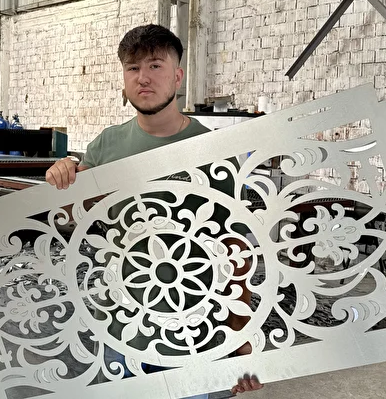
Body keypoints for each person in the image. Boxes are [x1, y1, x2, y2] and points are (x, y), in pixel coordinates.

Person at [46, 24, 263, 396]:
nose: (143, 77)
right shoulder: (107, 145)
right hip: (118, 325)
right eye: (132, 68)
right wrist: (63, 176)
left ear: (177, 76)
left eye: (155, 66)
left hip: (191, 327)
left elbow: (233, 250)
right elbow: (74, 214)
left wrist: (239, 338)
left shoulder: (214, 151)